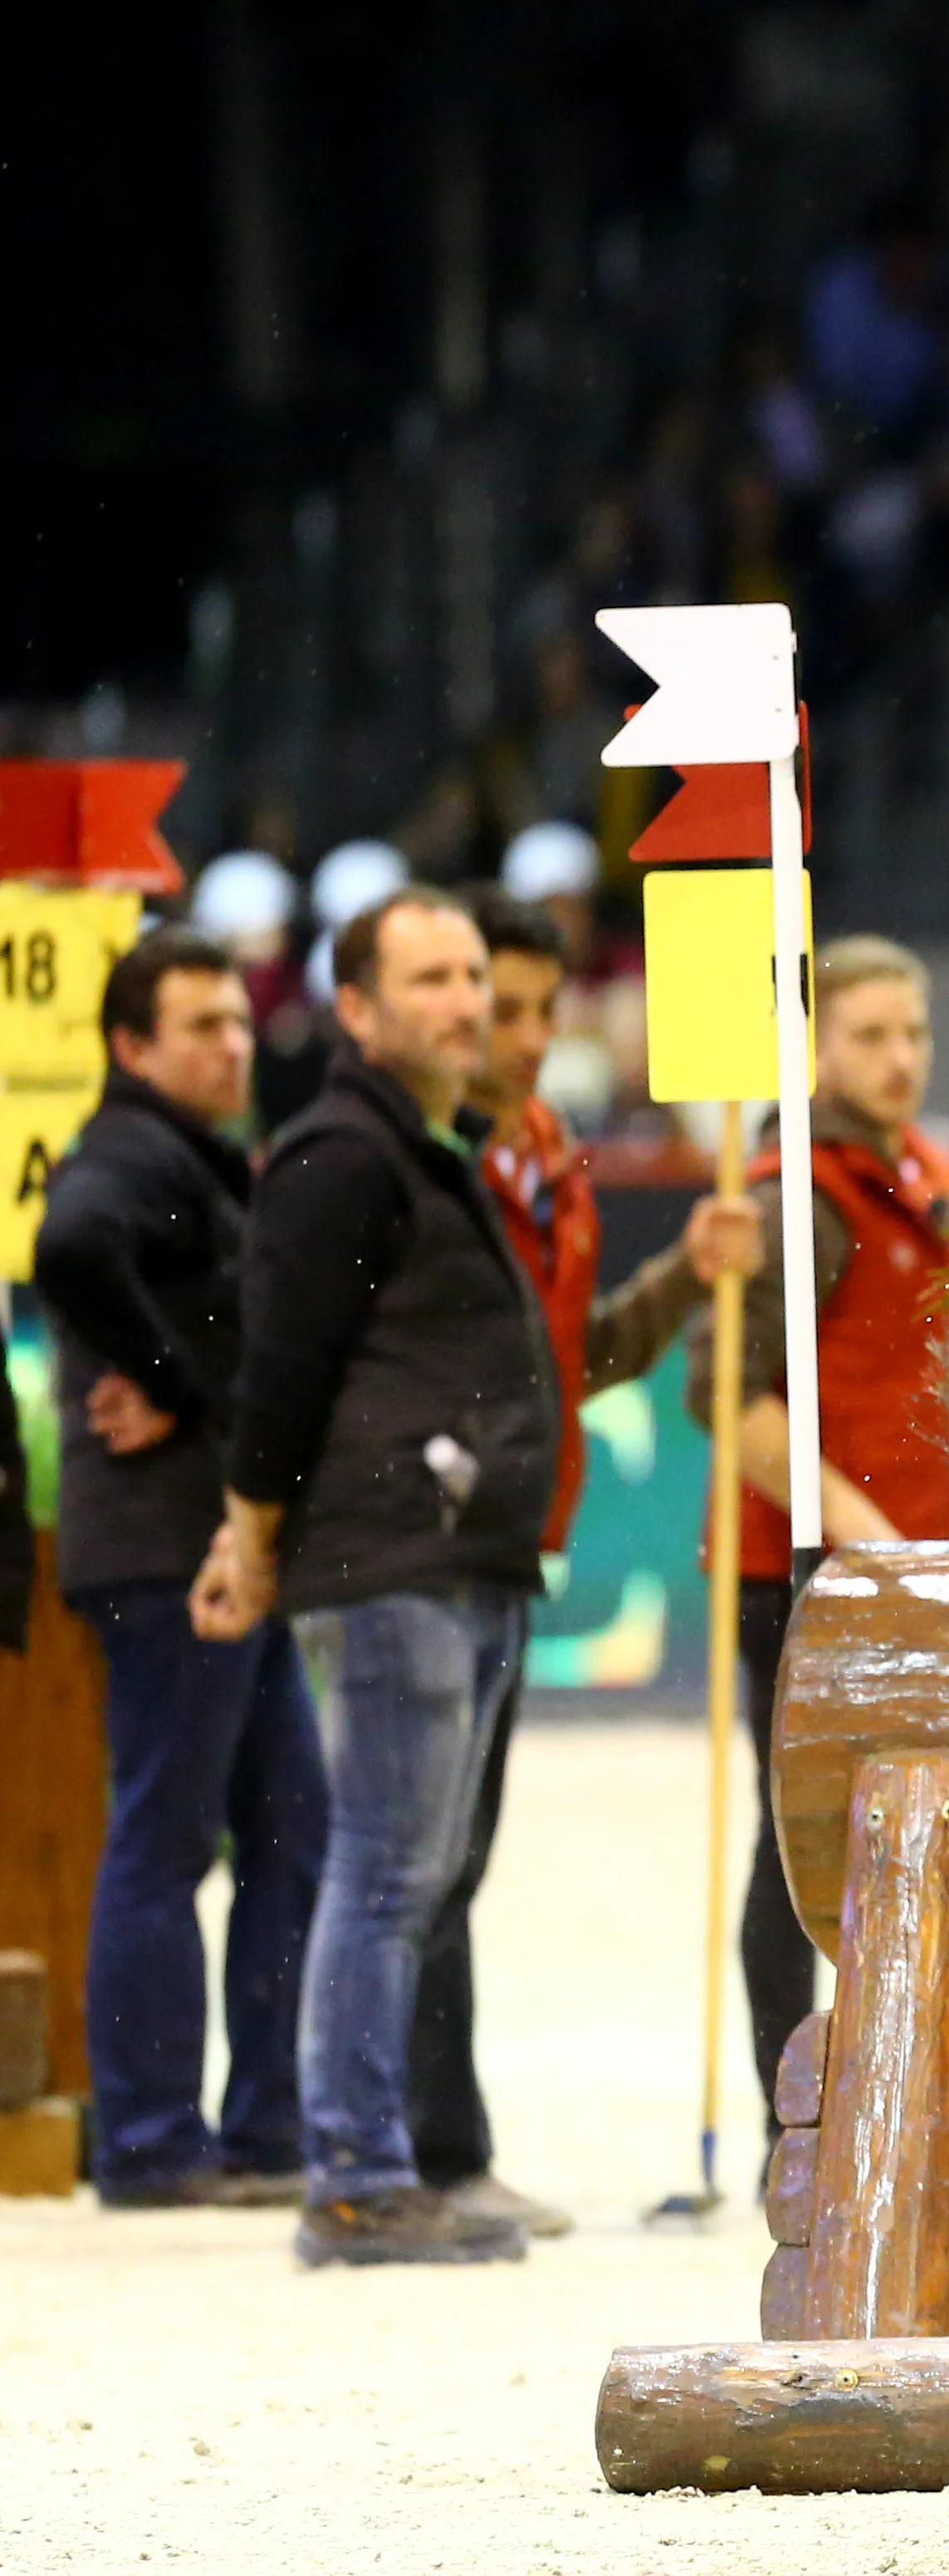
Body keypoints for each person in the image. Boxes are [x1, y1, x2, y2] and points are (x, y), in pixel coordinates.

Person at [190, 886, 556, 2267]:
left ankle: (376, 2157)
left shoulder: (413, 1147)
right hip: (396, 1555)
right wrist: (247, 1537)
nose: (468, 1001)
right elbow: (279, 1373)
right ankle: (352, 2174)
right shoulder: (342, 1155)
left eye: (472, 975)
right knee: (388, 1872)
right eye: (434, 979)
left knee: (412, 1872)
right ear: (355, 1008)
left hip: (451, 1554)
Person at [392, 891, 757, 2239]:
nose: (532, 1035)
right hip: (425, 1543)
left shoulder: (545, 1150)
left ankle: (412, 2144)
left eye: (547, 1009)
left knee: (448, 1856)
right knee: (413, 1862)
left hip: (510, 1542)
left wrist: (682, 1278)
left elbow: (570, 1360)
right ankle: (410, 2152)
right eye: (505, 1009)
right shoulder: (425, 1163)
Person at [683, 936, 949, 2126]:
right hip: (803, 1571)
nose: (900, 1057)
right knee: (800, 1840)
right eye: (869, 1035)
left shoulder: (920, 1171)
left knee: (908, 1826)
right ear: (813, 1048)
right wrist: (857, 1535)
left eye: (913, 1032)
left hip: (904, 1569)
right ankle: (788, 2118)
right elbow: (727, 1399)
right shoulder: (793, 1195)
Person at [36, 928, 323, 2209]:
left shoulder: (188, 1153)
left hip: (215, 1544)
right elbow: (69, 1249)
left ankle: (264, 2126)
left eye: (237, 1020)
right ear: (130, 1046)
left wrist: (183, 1376)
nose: (232, 1044)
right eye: (201, 1024)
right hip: (165, 1549)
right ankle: (153, 2139)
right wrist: (176, 1385)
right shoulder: (132, 1149)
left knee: (291, 1824)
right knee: (170, 1833)